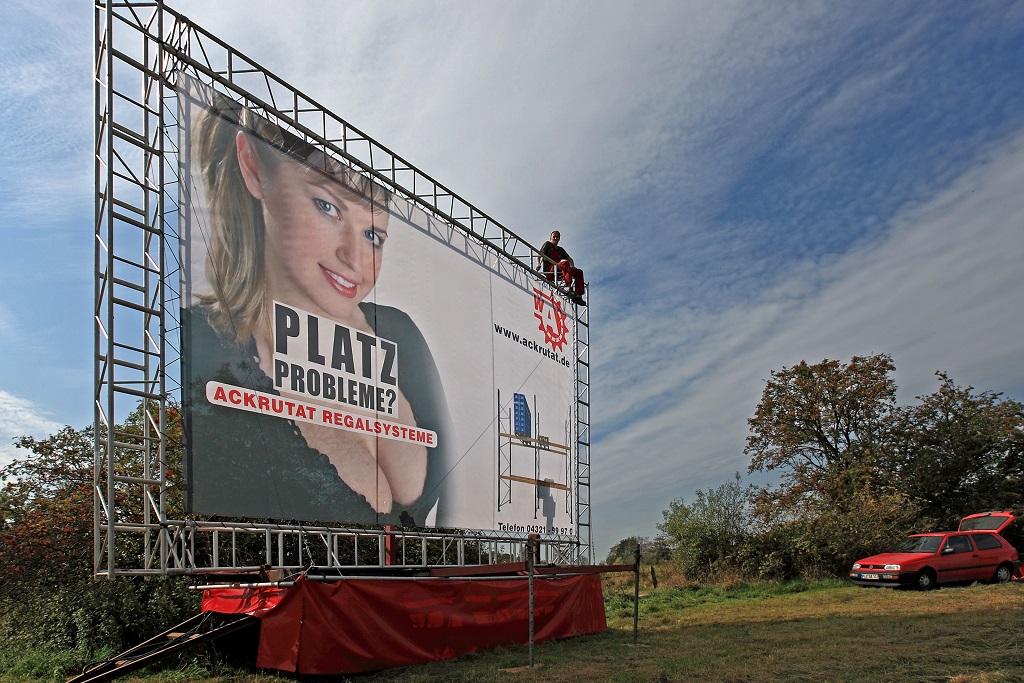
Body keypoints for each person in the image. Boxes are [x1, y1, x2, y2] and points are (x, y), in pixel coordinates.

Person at [184, 89, 452, 527]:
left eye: (373, 236)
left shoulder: (400, 334)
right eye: (328, 207)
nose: (355, 259)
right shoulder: (203, 344)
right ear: (252, 166)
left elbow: (451, 510)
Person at [537, 230, 586, 305]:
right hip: (549, 271)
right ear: (550, 237)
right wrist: (538, 264)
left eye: (557, 237)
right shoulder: (547, 244)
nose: (555, 238)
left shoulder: (560, 250)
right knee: (565, 263)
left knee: (579, 272)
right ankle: (569, 289)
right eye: (554, 237)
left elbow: (570, 259)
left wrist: (572, 266)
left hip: (558, 271)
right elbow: (539, 255)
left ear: (559, 239)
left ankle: (578, 295)